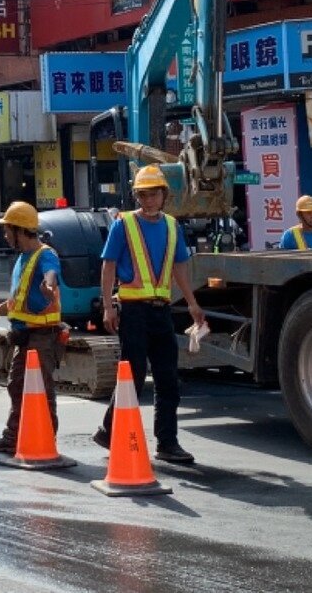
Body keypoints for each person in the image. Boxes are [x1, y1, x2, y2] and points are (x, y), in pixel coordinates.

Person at [92, 164, 207, 465]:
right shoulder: (124, 224)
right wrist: (107, 306)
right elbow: (108, 265)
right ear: (137, 196)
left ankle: (167, 443)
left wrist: (192, 303)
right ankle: (110, 430)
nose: (149, 200)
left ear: (163, 195)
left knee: (168, 378)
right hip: (133, 311)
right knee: (134, 375)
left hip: (160, 311)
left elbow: (180, 266)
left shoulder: (172, 226)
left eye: (154, 194)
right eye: (144, 195)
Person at [0, 201, 62, 455]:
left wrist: (48, 286)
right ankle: (14, 436)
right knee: (16, 384)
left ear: (20, 230)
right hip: (24, 335)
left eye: (8, 230)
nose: (5, 235)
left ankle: (45, 437)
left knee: (41, 388)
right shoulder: (22, 258)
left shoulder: (45, 254)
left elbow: (51, 274)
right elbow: (17, 299)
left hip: (42, 336)